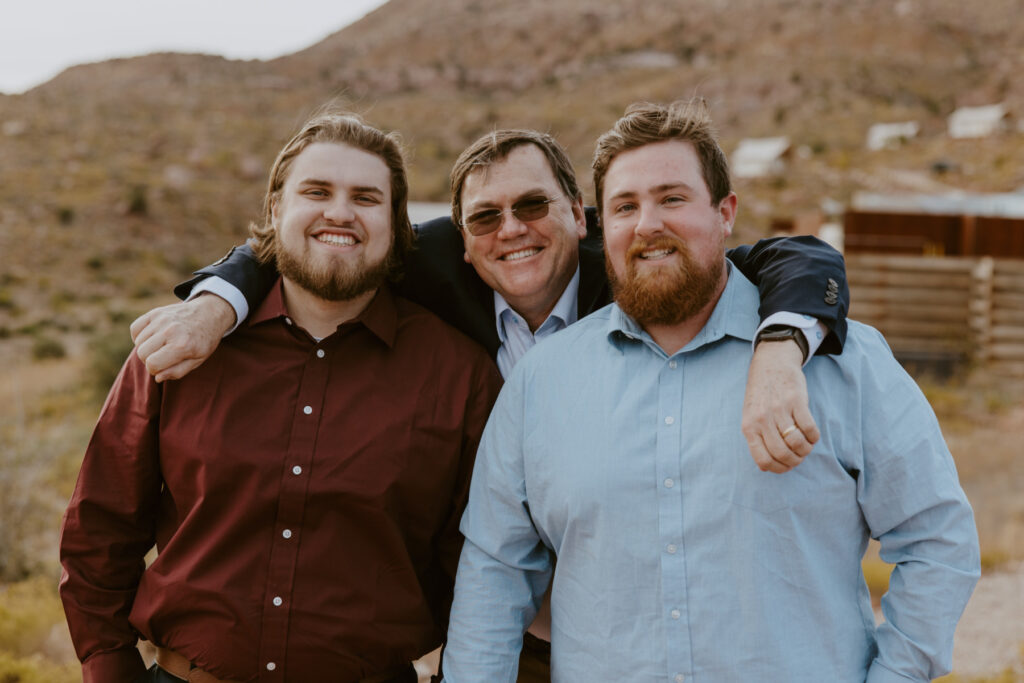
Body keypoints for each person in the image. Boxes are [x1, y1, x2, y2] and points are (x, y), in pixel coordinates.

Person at [129, 127, 851, 682]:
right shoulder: (439, 273)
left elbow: (795, 259)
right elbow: (314, 239)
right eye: (485, 217)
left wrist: (783, 345)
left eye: (534, 206)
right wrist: (219, 301)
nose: (511, 229)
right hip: (507, 640)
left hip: (654, 639)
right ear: (463, 242)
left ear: (580, 215)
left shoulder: (638, 276)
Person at [441, 99, 980, 683]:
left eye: (672, 198)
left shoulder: (845, 363)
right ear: (601, 225)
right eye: (626, 206)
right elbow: (494, 576)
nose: (648, 224)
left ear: (725, 212)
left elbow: (937, 540)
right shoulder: (540, 383)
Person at [59, 111, 502, 683]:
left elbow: (482, 566)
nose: (339, 212)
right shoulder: (181, 349)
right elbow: (100, 528)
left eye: (366, 198)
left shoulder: (458, 374)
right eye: (317, 191)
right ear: (275, 210)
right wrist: (108, 667)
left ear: (395, 225)